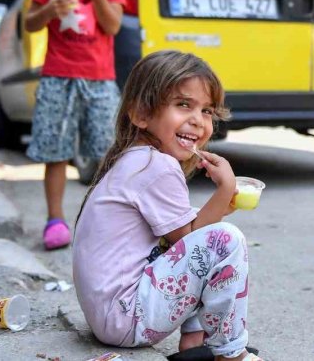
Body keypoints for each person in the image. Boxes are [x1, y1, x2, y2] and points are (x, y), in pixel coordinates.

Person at [73, 50, 261, 361]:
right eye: (183, 105)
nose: (197, 121)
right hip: (125, 317)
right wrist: (226, 187)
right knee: (225, 240)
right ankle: (231, 354)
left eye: (207, 111)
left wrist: (220, 206)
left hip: (112, 315)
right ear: (141, 115)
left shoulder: (138, 159)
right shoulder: (155, 166)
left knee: (203, 244)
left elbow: (183, 240)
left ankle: (195, 342)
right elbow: (189, 241)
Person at [24, 0, 125, 250]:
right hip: (58, 76)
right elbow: (30, 23)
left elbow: (112, 25)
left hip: (99, 79)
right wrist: (51, 8)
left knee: (107, 152)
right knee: (57, 151)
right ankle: (55, 220)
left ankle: (105, 222)